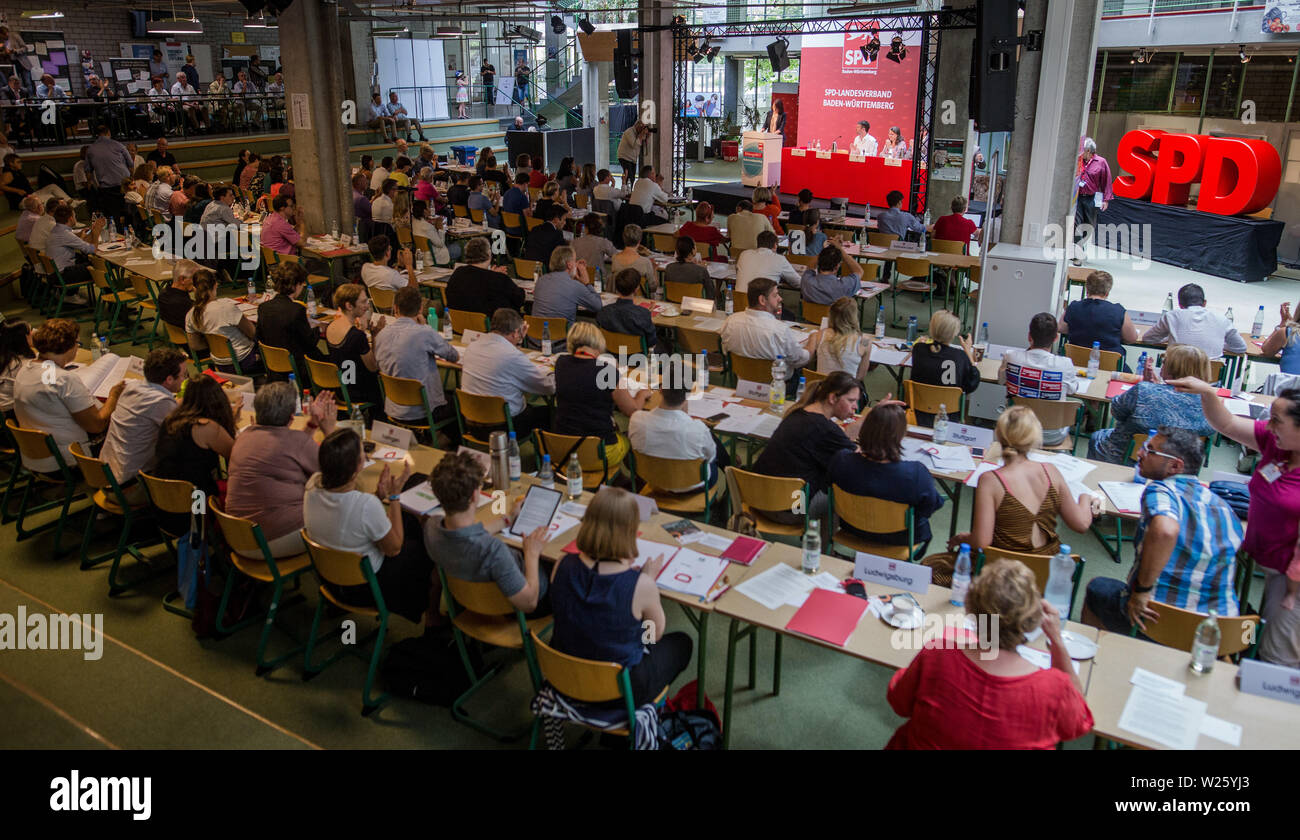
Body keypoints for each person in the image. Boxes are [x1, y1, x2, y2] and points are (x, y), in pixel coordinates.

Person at [1163, 375, 1300, 667]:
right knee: (1249, 631)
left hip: (1293, 577)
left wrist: (1292, 590)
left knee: (1278, 656)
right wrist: (1208, 393)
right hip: (1261, 557)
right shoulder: (1279, 445)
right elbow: (1225, 424)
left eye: (1277, 420)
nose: (1269, 425)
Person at [885, 559, 1093, 749]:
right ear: (1033, 618)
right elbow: (1078, 722)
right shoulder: (1055, 688)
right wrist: (1056, 640)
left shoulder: (937, 654)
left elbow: (899, 703)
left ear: (971, 610)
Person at [1083, 427, 1242, 635]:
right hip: (1219, 628)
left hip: (1160, 618)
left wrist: (1141, 592)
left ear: (1175, 466)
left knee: (1097, 588)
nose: (1140, 454)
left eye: (1150, 451)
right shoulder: (1223, 506)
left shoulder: (1161, 489)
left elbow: (1165, 530)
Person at [548, 486, 693, 705]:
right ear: (630, 531)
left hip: (566, 678)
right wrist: (648, 583)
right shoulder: (640, 586)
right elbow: (651, 637)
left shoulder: (562, 564)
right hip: (619, 692)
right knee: (683, 643)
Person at [304, 428, 434, 623]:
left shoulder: (312, 486)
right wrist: (395, 497)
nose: (366, 455)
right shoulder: (365, 505)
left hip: (328, 579)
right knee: (423, 544)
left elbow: (349, 516)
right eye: (362, 454)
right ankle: (432, 616)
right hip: (364, 587)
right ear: (357, 467)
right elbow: (394, 549)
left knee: (407, 522)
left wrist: (378, 497)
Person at [951, 406, 1099, 557]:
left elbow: (981, 541)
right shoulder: (1051, 471)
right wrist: (1085, 497)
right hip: (1046, 569)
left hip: (1001, 569)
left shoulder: (990, 480)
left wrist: (963, 538)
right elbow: (1081, 524)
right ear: (1035, 437)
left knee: (934, 565)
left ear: (999, 435)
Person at [424, 450, 548, 613]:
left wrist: (507, 520)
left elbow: (468, 535)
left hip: (470, 603)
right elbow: (529, 603)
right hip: (513, 606)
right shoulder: (493, 550)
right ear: (475, 496)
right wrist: (531, 554)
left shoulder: (431, 527)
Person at [11, 319, 124, 473]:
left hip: (35, 457)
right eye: (77, 343)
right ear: (69, 347)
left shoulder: (24, 370)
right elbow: (96, 425)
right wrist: (114, 396)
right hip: (70, 460)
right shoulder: (64, 379)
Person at [828, 402, 943, 552]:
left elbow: (829, 488)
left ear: (864, 430)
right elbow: (930, 507)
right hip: (900, 538)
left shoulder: (841, 461)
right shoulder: (916, 474)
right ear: (901, 436)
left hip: (851, 529)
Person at [751, 371, 861, 521]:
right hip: (790, 508)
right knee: (841, 492)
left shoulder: (798, 412)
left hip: (757, 497)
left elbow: (840, 439)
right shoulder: (826, 429)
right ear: (832, 398)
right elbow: (857, 459)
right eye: (851, 400)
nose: (855, 407)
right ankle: (821, 544)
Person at [1088, 344, 1215, 464]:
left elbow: (1116, 412)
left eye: (1164, 362)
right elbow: (1208, 431)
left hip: (1126, 456)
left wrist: (1150, 387)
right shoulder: (1209, 401)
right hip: (1175, 465)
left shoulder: (1143, 390)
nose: (1162, 366)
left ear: (1173, 368)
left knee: (1097, 437)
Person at [552, 322, 645, 472]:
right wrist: (642, 393)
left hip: (563, 447)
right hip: (600, 451)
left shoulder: (560, 363)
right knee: (634, 435)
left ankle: (618, 477)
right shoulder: (606, 371)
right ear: (598, 342)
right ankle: (633, 481)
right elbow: (633, 410)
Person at [374, 286, 459, 439]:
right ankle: (446, 444)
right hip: (422, 411)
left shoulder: (381, 334)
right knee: (459, 401)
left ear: (395, 308)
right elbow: (453, 356)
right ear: (420, 309)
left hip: (393, 407)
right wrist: (425, 326)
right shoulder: (424, 332)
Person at [459, 307, 555, 439]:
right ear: (516, 333)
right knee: (552, 414)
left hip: (471, 423)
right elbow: (548, 388)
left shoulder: (472, 346)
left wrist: (519, 341)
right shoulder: (512, 356)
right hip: (504, 428)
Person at [99, 348, 185, 494]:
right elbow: (183, 432)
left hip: (104, 476)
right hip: (130, 486)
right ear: (169, 379)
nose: (184, 379)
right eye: (183, 375)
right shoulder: (160, 401)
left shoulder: (132, 386)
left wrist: (186, 399)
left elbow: (164, 407)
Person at [722, 278, 821, 395]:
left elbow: (725, 351)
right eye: (775, 295)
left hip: (742, 382)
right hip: (779, 386)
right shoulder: (780, 330)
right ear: (762, 300)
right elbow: (801, 360)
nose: (780, 298)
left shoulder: (731, 321)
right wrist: (813, 339)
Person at [151, 373, 237, 505]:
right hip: (196, 504)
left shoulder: (171, 419)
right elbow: (238, 457)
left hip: (164, 499)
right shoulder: (206, 427)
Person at [998, 312, 1082, 446]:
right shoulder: (1065, 364)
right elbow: (1072, 390)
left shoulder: (1011, 357)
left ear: (1029, 336)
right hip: (1051, 436)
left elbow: (1001, 381)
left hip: (1016, 429)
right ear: (1055, 338)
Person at [628, 377, 723, 491]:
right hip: (692, 486)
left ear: (660, 390)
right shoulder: (697, 429)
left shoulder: (636, 419)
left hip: (651, 480)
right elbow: (711, 456)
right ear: (688, 395)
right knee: (711, 464)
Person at [910, 309, 980, 426]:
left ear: (931, 328)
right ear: (954, 333)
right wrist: (968, 351)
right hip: (948, 416)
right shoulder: (960, 356)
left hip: (917, 411)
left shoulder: (918, 349)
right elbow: (972, 384)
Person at [256, 262, 324, 378]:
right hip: (298, 369)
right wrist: (319, 328)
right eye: (301, 284)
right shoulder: (297, 310)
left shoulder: (263, 307)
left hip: (273, 367)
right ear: (295, 285)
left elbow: (258, 337)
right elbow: (310, 342)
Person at [186, 269, 260, 374]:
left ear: (194, 289)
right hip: (244, 360)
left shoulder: (191, 314)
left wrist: (216, 344)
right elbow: (253, 333)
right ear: (216, 285)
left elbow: (195, 345)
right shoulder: (226, 308)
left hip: (219, 363)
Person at [1059, 270, 1139, 365]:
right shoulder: (1118, 311)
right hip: (1109, 368)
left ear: (1087, 289)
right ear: (1107, 292)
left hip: (1075, 365)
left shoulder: (1073, 307)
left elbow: (1061, 328)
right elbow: (1132, 338)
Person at [325, 283, 384, 408]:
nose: (367, 306)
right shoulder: (356, 336)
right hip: (357, 391)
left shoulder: (330, 326)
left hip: (340, 386)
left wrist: (361, 331)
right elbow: (373, 366)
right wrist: (374, 336)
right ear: (349, 306)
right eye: (363, 302)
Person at [444, 236, 524, 318]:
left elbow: (477, 279)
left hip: (459, 326)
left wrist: (492, 274)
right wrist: (496, 276)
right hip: (494, 327)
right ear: (489, 255)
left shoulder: (458, 273)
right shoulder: (498, 279)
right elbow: (519, 298)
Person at [533, 246, 603, 327]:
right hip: (563, 337)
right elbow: (598, 306)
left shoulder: (541, 280)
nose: (576, 264)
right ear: (569, 265)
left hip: (535, 336)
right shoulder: (575, 286)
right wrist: (587, 283)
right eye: (575, 261)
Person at [45, 205, 105, 295]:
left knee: (86, 259)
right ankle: (112, 299)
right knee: (99, 267)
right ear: (70, 219)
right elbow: (92, 249)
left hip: (54, 274)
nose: (75, 218)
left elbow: (83, 244)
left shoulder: (56, 229)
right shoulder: (65, 234)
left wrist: (91, 233)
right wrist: (96, 234)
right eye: (75, 216)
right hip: (63, 276)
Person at [1073, 137, 1113, 264]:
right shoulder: (1079, 161)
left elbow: (1107, 181)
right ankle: (1077, 254)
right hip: (1078, 198)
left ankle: (1079, 247)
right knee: (1076, 224)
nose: (1081, 153)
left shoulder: (1101, 162)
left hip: (1092, 199)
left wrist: (1106, 200)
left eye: (1083, 151)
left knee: (1088, 226)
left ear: (1089, 151)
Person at [84, 124, 134, 228]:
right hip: (124, 183)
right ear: (109, 133)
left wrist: (90, 183)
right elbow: (130, 163)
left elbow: (88, 171)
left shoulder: (91, 149)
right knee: (129, 209)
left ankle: (118, 232)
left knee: (113, 214)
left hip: (107, 186)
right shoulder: (118, 145)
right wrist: (131, 178)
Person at [816, 297, 873, 381]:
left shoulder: (820, 335)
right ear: (854, 316)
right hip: (846, 389)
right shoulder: (865, 341)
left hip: (822, 389)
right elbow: (860, 377)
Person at [736, 230, 800, 293]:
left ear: (758, 244)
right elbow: (798, 283)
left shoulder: (744, 254)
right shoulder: (779, 259)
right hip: (760, 302)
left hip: (739, 300)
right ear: (775, 245)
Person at [664, 235, 715, 301]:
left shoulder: (669, 268)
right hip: (695, 306)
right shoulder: (701, 270)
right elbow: (710, 294)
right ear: (692, 250)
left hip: (673, 303)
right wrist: (703, 269)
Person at [610, 223, 657, 295]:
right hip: (639, 299)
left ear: (623, 238)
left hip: (619, 297)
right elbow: (653, 288)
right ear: (640, 240)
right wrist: (654, 270)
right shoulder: (645, 262)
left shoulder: (614, 258)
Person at [522, 203, 568, 268]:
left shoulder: (534, 229)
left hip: (526, 268)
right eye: (564, 219)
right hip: (544, 270)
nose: (565, 223)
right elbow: (563, 253)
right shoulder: (557, 234)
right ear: (556, 220)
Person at [411, 199, 457, 265]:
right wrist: (440, 228)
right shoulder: (427, 227)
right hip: (433, 257)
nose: (429, 209)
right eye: (427, 207)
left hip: (422, 255)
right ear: (424, 211)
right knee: (459, 247)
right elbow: (440, 244)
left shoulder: (414, 222)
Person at [157, 259, 197, 329]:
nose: (196, 281)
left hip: (177, 337)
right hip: (192, 337)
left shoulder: (162, 295)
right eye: (194, 278)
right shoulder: (186, 305)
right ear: (182, 280)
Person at [615, 121, 648, 188]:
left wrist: (647, 136)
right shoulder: (629, 132)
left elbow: (642, 144)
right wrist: (641, 135)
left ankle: (629, 191)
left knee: (632, 177)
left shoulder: (637, 133)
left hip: (632, 159)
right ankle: (626, 192)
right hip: (625, 157)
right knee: (629, 176)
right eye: (641, 127)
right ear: (637, 126)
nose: (642, 129)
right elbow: (634, 145)